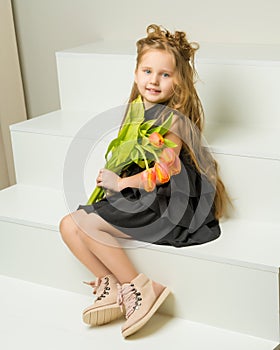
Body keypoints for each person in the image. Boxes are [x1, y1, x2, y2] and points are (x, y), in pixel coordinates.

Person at [59, 24, 230, 338]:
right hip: (143, 194)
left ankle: (142, 287)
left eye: (165, 74)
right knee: (68, 225)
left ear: (178, 82)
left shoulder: (172, 119)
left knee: (88, 224)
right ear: (136, 73)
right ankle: (109, 285)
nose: (154, 80)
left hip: (168, 201)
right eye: (147, 70)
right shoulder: (138, 111)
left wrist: (122, 184)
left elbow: (167, 172)